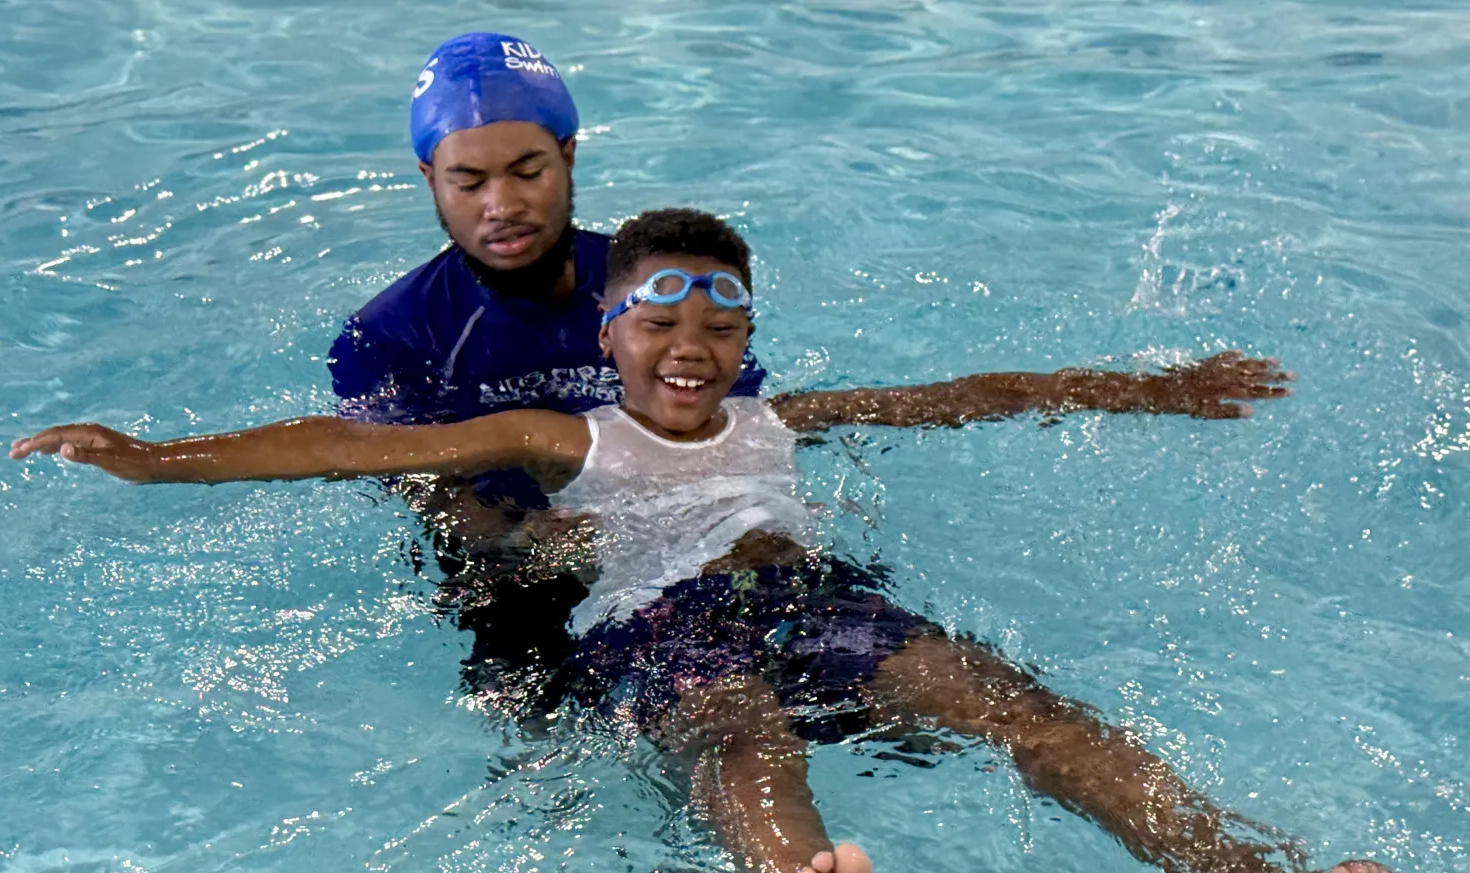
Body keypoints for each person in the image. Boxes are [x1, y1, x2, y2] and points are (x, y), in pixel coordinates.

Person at [10, 209, 1389, 873]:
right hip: (661, 636)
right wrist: (150, 459)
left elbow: (978, 394)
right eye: (660, 329)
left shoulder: (780, 419)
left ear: (745, 337)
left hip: (821, 605)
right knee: (741, 745)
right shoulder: (568, 435)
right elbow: (352, 446)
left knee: (1014, 704)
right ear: (609, 340)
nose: (692, 352)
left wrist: (1150, 386)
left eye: (719, 328)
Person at [330, 32, 1294, 709]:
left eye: (528, 170)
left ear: (569, 154)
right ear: (429, 181)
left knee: (910, 685)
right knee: (544, 744)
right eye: (468, 180)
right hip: (534, 571)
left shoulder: (660, 291)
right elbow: (422, 490)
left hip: (705, 550)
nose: (502, 203)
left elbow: (750, 430)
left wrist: (1140, 390)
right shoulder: (387, 338)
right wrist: (528, 540)